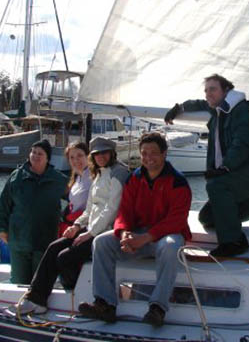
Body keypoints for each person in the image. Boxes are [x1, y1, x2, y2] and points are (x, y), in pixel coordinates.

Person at [78, 132, 191, 328]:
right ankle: (105, 304)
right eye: (144, 153)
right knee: (101, 242)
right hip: (139, 234)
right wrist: (124, 234)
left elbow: (177, 220)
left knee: (170, 246)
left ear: (164, 153)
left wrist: (145, 238)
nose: (148, 157)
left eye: (153, 153)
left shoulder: (178, 182)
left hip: (165, 235)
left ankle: (157, 308)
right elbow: (125, 211)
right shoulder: (134, 178)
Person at [14, 137, 129, 314]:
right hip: (91, 228)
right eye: (97, 154)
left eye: (104, 152)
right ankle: (36, 298)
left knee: (64, 257)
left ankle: (77, 293)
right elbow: (90, 208)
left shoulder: (118, 173)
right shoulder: (98, 173)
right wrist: (76, 225)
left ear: (112, 153)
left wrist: (89, 233)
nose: (101, 157)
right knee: (53, 247)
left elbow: (111, 209)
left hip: (106, 232)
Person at [165, 74, 249, 257]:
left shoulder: (241, 111)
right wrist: (179, 108)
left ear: (226, 90)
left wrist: (224, 168)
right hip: (234, 174)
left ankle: (234, 241)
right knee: (206, 218)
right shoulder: (218, 108)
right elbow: (200, 103)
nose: (208, 94)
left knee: (217, 186)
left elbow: (242, 145)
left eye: (213, 89)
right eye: (206, 90)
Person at [0, 139, 69, 284]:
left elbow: (75, 200)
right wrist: (2, 228)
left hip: (45, 240)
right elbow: (4, 204)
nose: (35, 156)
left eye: (40, 153)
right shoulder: (16, 177)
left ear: (47, 158)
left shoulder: (59, 180)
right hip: (19, 240)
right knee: (19, 281)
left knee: (40, 283)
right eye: (33, 152)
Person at [58, 142, 93, 236]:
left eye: (80, 155)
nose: (76, 160)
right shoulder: (77, 177)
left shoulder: (93, 177)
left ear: (87, 156)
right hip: (72, 224)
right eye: (71, 157)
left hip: (85, 227)